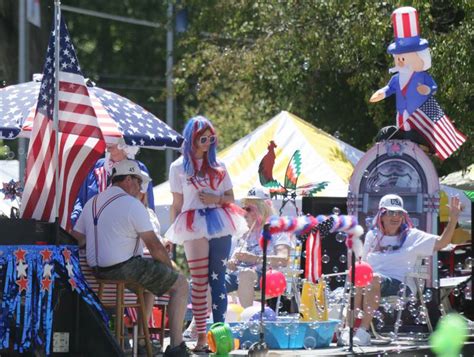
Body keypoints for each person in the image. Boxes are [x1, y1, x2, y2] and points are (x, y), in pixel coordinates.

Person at [72, 160, 189, 357]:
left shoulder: (92, 203)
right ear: (128, 179)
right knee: (181, 284)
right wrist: (171, 271)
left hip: (97, 271)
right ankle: (176, 347)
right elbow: (155, 247)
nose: (140, 188)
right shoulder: (132, 205)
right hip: (124, 268)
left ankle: (143, 341)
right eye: (138, 182)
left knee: (151, 281)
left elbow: (77, 239)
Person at [166, 115, 247, 352]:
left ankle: (219, 334)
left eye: (211, 138)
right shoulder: (178, 167)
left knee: (218, 279)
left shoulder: (219, 167)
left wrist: (216, 199)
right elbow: (176, 204)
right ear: (192, 137)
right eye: (203, 137)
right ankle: (202, 336)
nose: (208, 142)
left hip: (221, 219)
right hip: (192, 224)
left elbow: (231, 198)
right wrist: (171, 236)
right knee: (199, 282)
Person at [342, 193, 461, 346]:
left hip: (401, 285)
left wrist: (453, 219)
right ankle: (349, 328)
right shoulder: (372, 236)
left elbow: (442, 242)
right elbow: (364, 265)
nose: (396, 216)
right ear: (382, 215)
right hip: (372, 284)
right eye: (391, 212)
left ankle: (363, 331)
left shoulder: (413, 236)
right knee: (359, 278)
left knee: (371, 279)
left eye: (399, 213)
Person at [226, 186, 292, 308]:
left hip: (267, 276)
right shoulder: (242, 231)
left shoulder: (276, 230)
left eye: (249, 208)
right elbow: (230, 259)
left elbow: (284, 259)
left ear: (263, 209)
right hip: (237, 275)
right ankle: (198, 322)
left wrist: (255, 258)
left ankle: (247, 320)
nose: (244, 212)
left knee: (245, 274)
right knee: (212, 280)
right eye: (243, 208)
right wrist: (231, 262)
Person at [71, 138, 154, 227]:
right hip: (92, 233)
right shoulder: (95, 166)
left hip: (125, 233)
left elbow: (147, 206)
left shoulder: (139, 169)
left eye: (115, 138)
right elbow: (81, 201)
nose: (109, 140)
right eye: (108, 136)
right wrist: (74, 221)